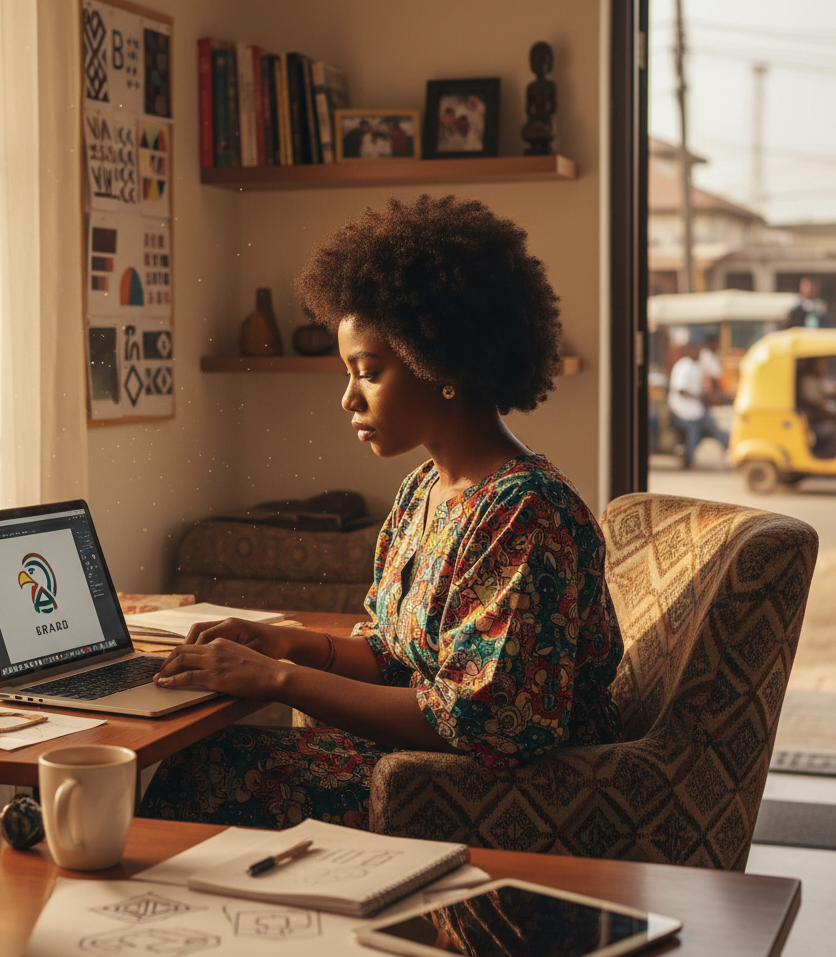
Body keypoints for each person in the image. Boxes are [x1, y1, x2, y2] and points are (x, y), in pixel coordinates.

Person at [140, 195, 623, 831]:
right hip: (422, 764)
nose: (347, 398)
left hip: (502, 793)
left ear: (442, 363)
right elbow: (394, 658)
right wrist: (287, 642)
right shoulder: (424, 490)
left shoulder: (526, 513)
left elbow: (482, 723)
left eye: (367, 372)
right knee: (197, 758)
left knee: (207, 775)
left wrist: (278, 678)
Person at [668, 339, 729, 468]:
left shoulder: (696, 366)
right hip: (682, 411)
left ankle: (729, 452)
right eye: (696, 351)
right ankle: (688, 459)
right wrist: (699, 396)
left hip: (696, 410)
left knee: (714, 428)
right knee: (694, 429)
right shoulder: (683, 366)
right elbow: (681, 390)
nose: (698, 354)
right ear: (690, 352)